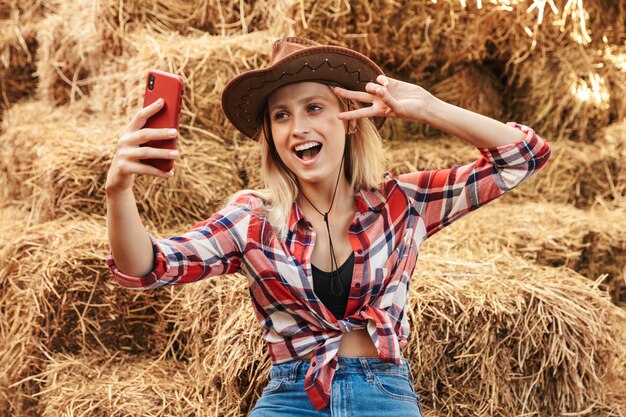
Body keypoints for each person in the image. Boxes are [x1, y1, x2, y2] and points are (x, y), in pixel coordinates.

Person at [105, 37, 551, 416]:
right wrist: (118, 189)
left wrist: (428, 107)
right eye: (280, 115)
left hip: (384, 395)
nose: (297, 127)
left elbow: (523, 156)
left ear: (350, 121)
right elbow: (149, 267)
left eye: (313, 107)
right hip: (291, 396)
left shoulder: (403, 203)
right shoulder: (252, 218)